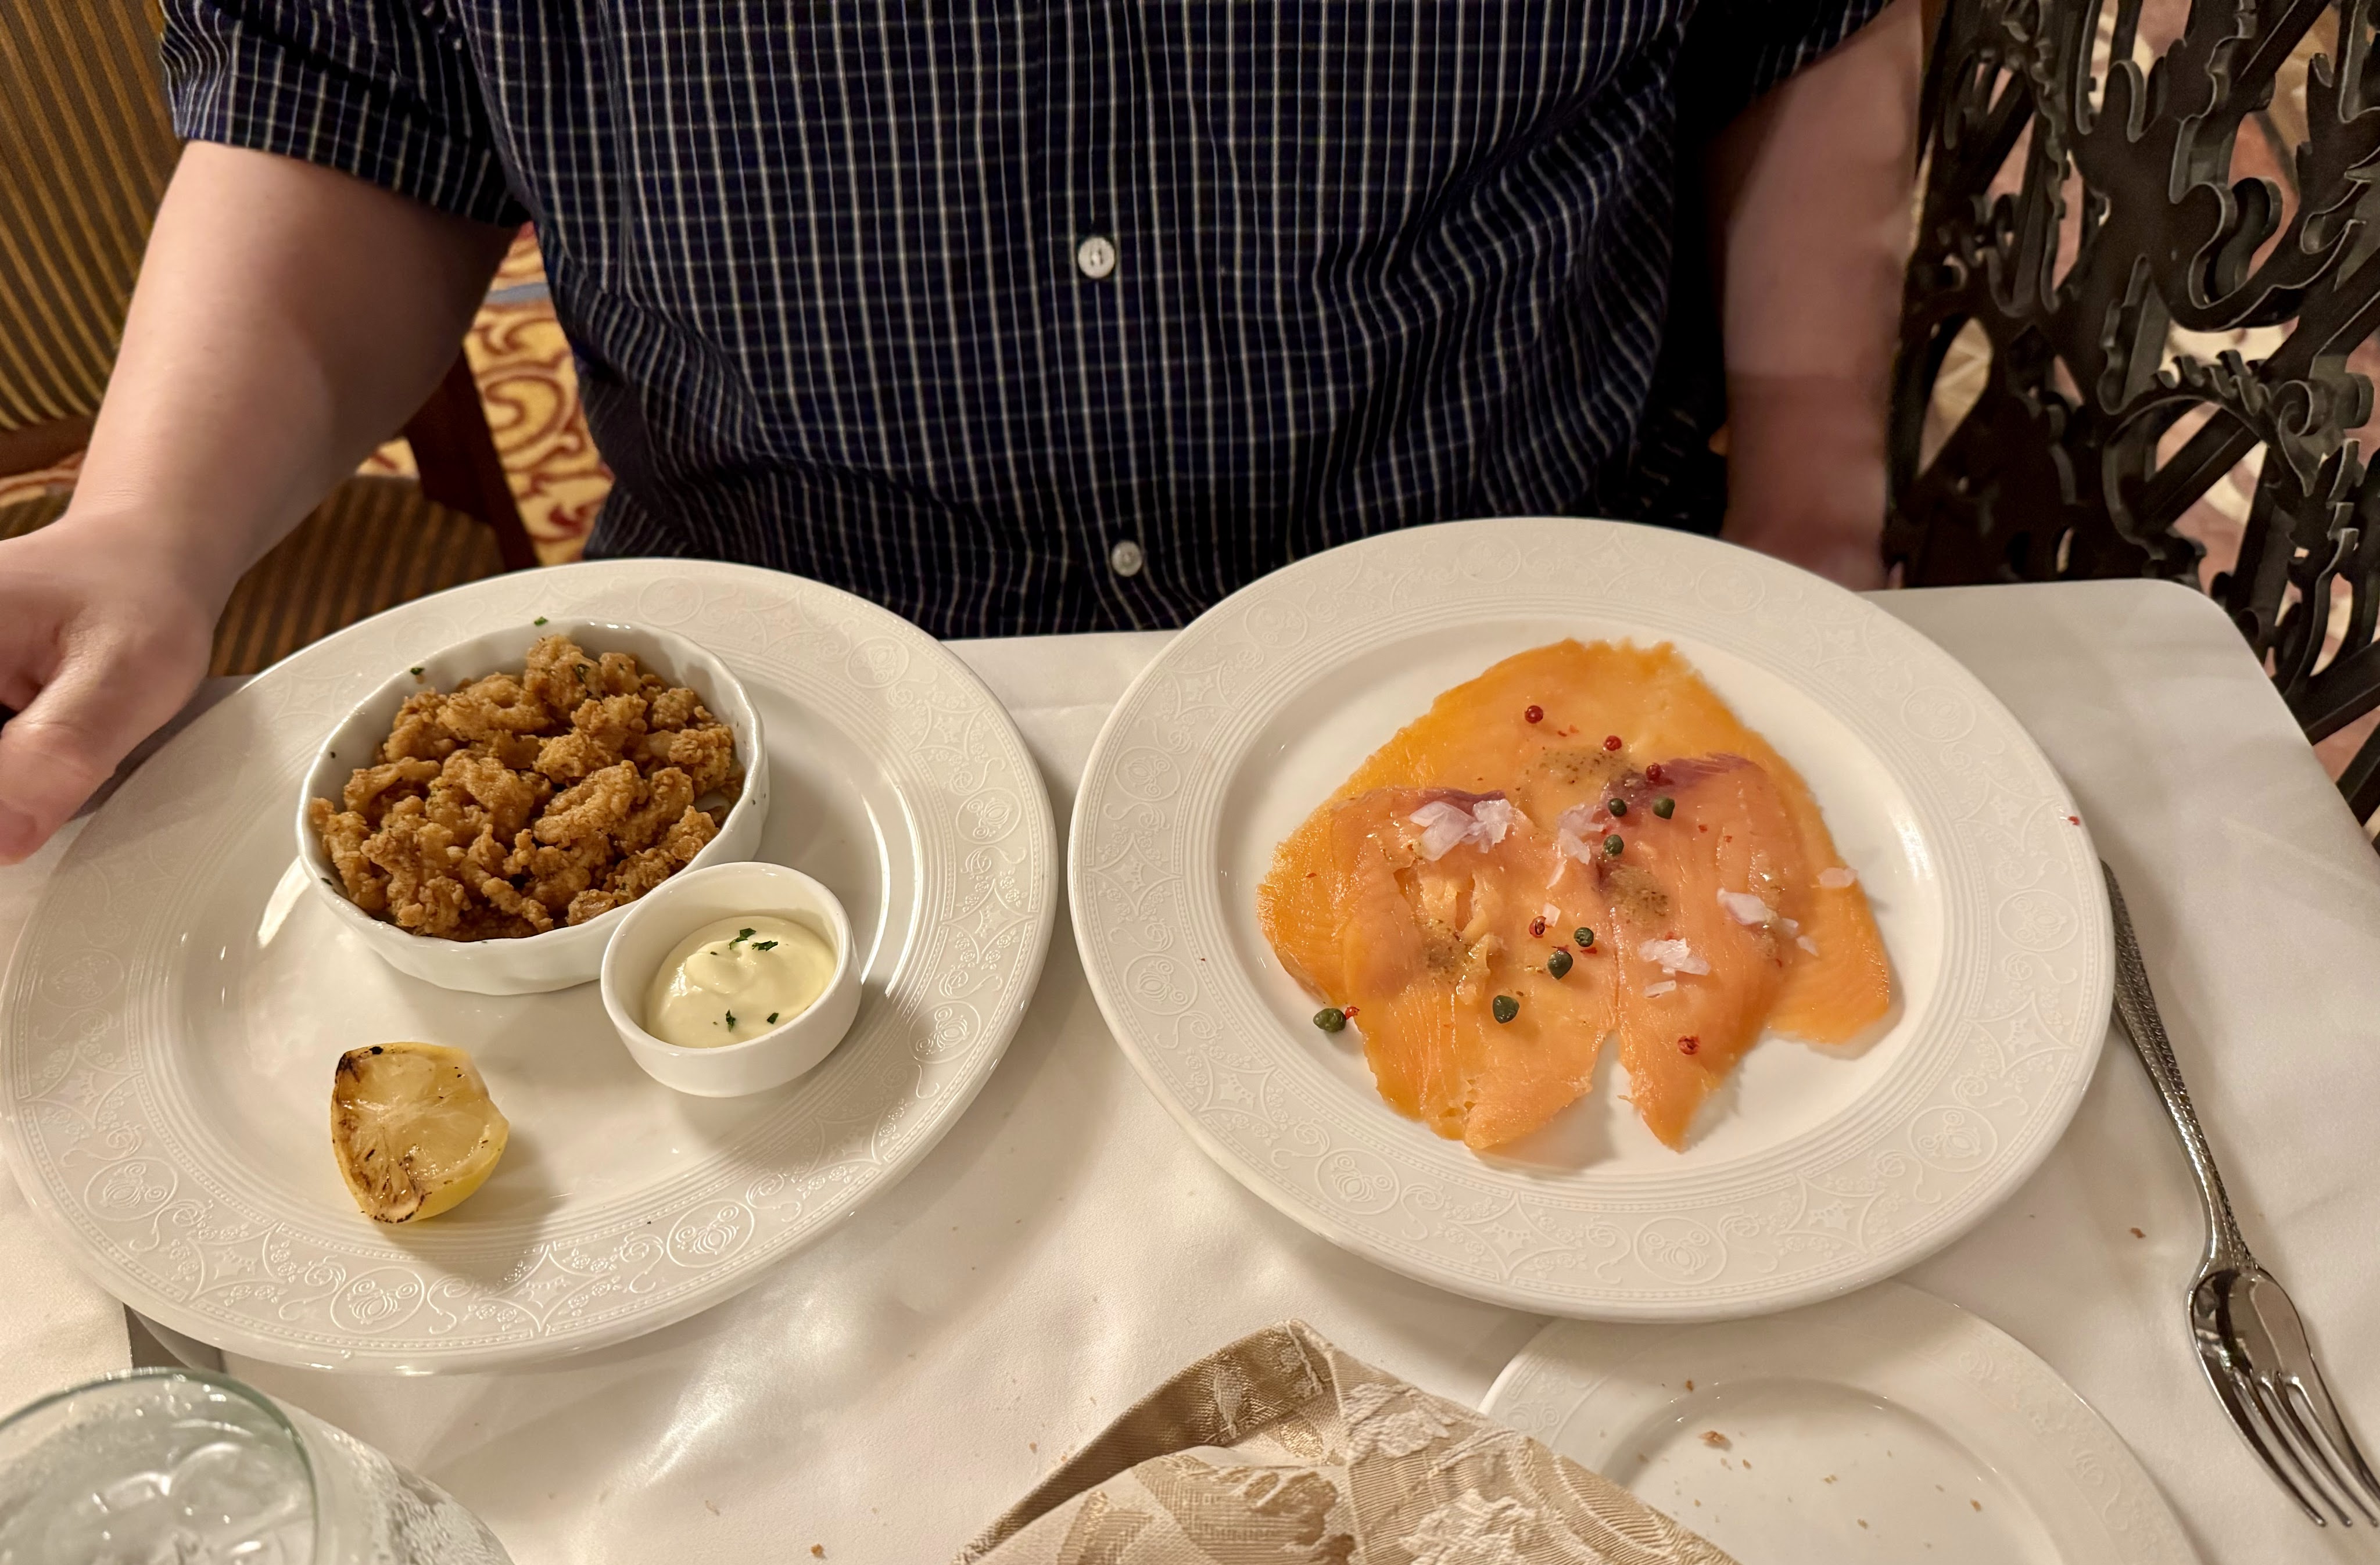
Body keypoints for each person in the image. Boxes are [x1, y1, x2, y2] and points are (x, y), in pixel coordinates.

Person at [0, 0, 1920, 865]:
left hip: (1535, 645)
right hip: (800, 743)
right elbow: (351, 98)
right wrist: (153, 527)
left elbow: (1798, 26)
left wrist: (1814, 533)